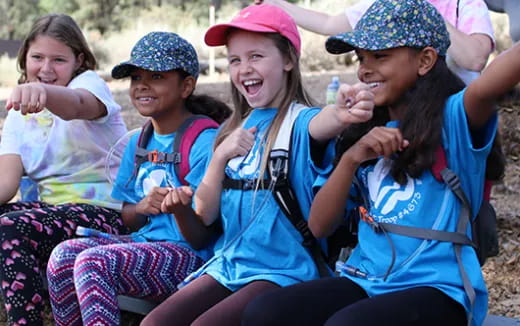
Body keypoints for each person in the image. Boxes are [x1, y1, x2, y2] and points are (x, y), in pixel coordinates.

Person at [242, 0, 517, 325]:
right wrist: (352, 159)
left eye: (380, 55)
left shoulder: (454, 120)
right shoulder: (364, 134)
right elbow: (319, 227)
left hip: (438, 288)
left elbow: (492, 81)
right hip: (367, 279)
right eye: (361, 58)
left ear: (426, 60)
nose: (364, 69)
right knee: (265, 313)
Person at [140, 4, 374, 326]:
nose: (244, 68)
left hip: (283, 269)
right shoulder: (232, 128)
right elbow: (204, 215)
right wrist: (220, 157)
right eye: (235, 60)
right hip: (229, 264)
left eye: (256, 56)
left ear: (289, 60)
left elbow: (325, 121)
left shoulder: (299, 122)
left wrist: (342, 113)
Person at [45, 31, 232, 326]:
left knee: (94, 263)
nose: (142, 85)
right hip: (143, 243)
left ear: (186, 86)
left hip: (192, 258)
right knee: (63, 256)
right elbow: (130, 217)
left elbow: (202, 237)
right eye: (135, 78)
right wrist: (143, 207)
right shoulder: (140, 141)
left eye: (156, 77)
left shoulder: (203, 142)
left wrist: (179, 208)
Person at [0, 14, 129, 326]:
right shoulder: (18, 115)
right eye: (37, 58)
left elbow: (75, 105)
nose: (45, 69)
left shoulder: (89, 86)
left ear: (78, 60)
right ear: (24, 58)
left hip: (106, 213)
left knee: (8, 227)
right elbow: (6, 185)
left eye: (58, 59)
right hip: (51, 216)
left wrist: (42, 94)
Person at [254, 0, 494, 85]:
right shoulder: (385, 5)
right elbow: (329, 24)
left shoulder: (466, 4)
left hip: (458, 122)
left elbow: (474, 59)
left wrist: (424, 10)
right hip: (409, 118)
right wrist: (277, 4)